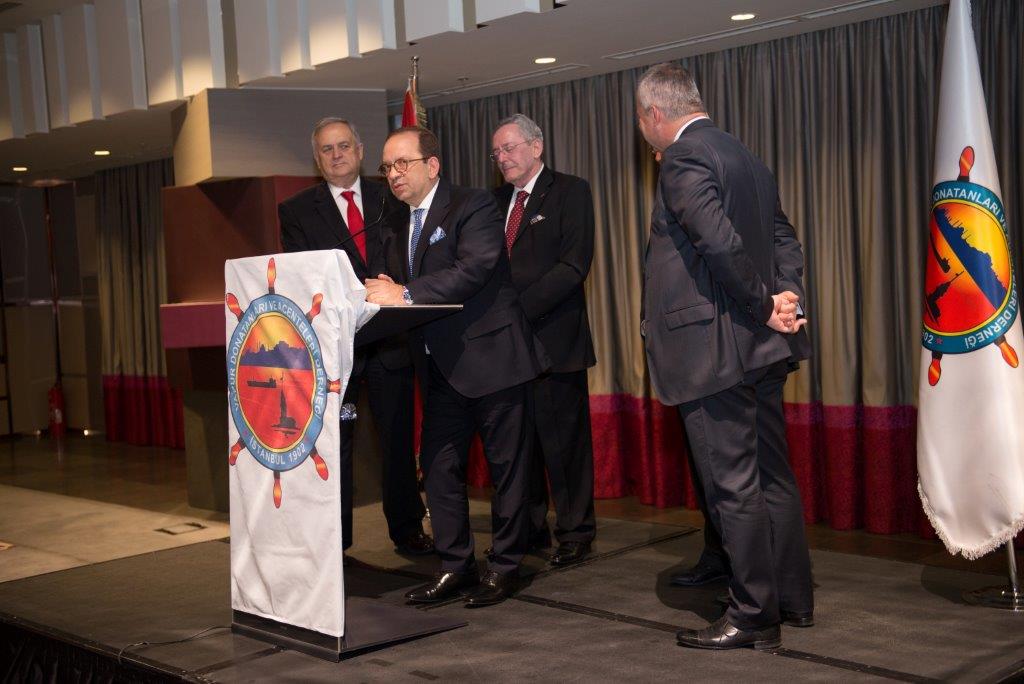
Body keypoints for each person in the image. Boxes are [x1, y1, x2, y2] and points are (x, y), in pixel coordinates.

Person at [634, 62, 813, 650]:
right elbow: (784, 238)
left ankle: (753, 614)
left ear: (654, 113)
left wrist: (764, 304)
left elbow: (716, 241)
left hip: (715, 350)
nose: (642, 130)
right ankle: (791, 599)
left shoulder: (683, 157)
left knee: (734, 485)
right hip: (762, 347)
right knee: (772, 476)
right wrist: (786, 297)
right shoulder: (745, 156)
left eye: (640, 119)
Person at [278, 117, 433, 558]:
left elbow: (412, 256)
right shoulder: (296, 210)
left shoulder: (393, 195)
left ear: (361, 151)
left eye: (344, 146)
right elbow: (300, 276)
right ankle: (336, 541)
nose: (337, 155)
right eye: (327, 149)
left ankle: (407, 530)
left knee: (397, 441)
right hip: (334, 346)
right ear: (317, 159)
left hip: (390, 341)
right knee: (336, 445)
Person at [490, 113, 597, 566]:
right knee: (520, 446)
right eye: (496, 152)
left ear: (536, 147)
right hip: (506, 349)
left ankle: (576, 532)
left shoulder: (571, 191)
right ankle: (529, 529)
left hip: (555, 342)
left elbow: (573, 267)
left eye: (509, 148)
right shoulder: (493, 202)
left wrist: (516, 311)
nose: (502, 158)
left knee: (565, 446)